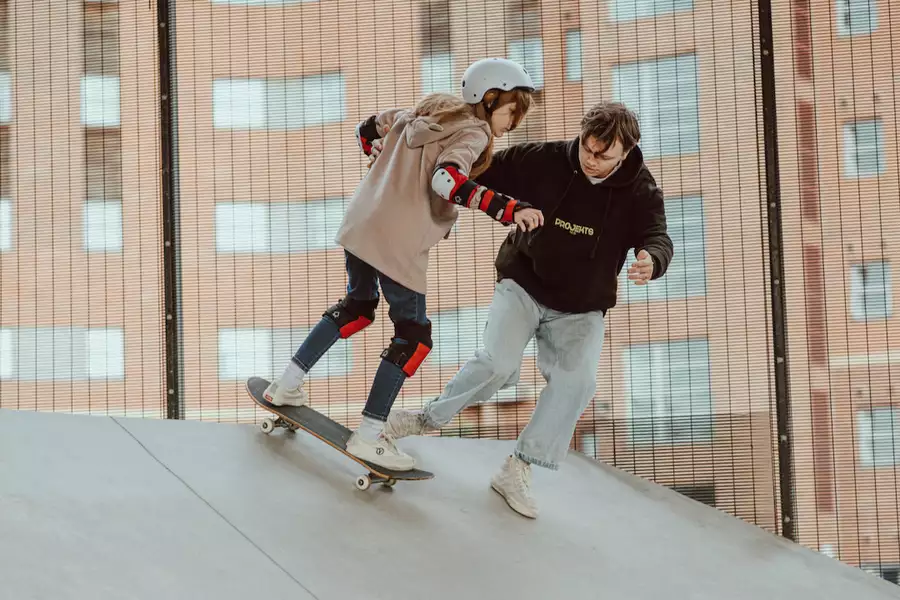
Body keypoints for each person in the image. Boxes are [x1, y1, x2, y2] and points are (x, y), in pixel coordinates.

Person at [384, 101, 674, 518]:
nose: (591, 161)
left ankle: (518, 468)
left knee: (577, 383)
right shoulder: (545, 159)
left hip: (582, 307)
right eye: (587, 149)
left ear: (626, 152)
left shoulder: (641, 191)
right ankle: (422, 421)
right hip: (524, 282)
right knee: (498, 364)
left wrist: (651, 259)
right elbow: (479, 168)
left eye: (603, 156)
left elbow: (657, 235)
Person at [258, 58, 544, 472]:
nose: (513, 122)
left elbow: (367, 128)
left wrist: (381, 163)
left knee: (357, 307)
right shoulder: (473, 132)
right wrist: (508, 208)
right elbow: (445, 180)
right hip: (397, 243)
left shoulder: (422, 113)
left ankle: (285, 385)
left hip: (360, 225)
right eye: (512, 110)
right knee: (414, 337)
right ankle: (370, 435)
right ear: (490, 98)